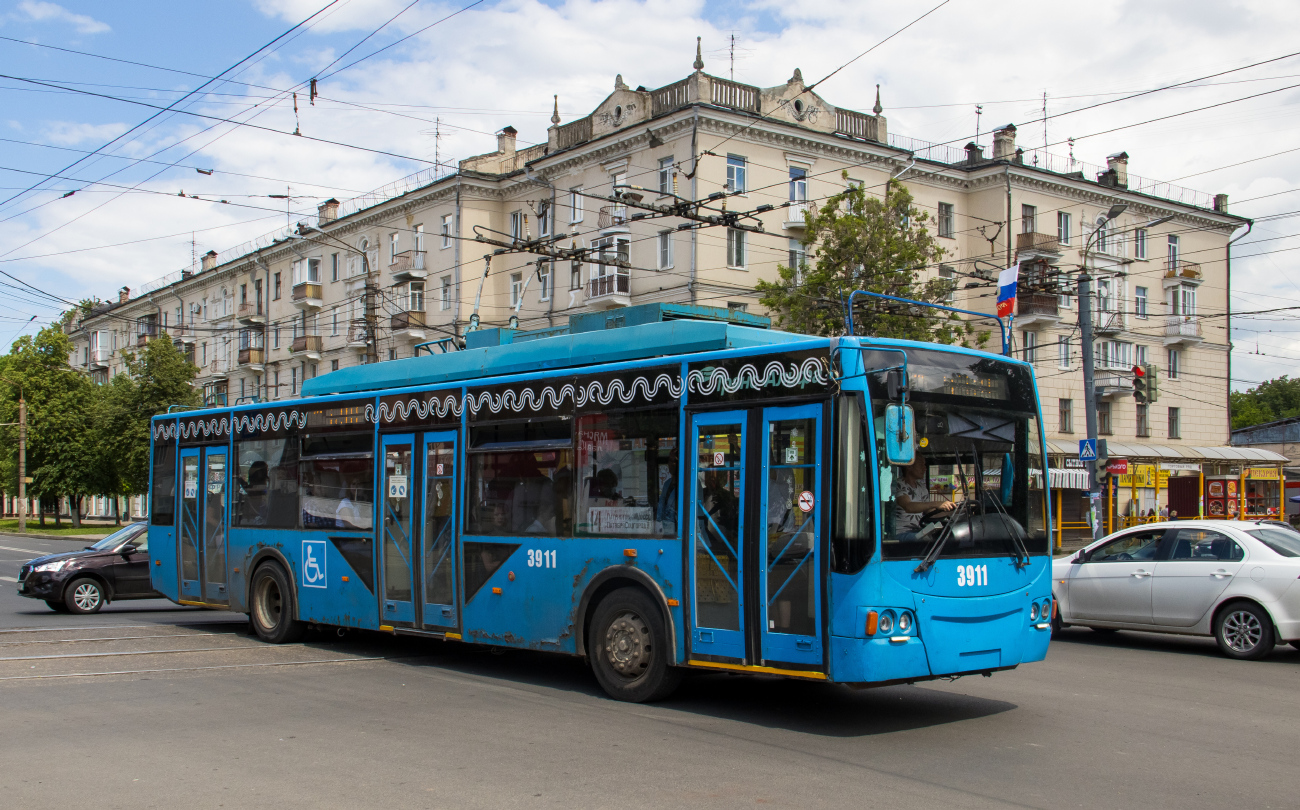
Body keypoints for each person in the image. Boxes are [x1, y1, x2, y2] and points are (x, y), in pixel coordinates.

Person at [892, 454, 955, 539]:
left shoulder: (921, 487)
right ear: (909, 467)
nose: (924, 468)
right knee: (928, 541)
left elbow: (930, 512)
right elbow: (908, 506)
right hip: (901, 533)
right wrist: (936, 504)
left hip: (919, 531)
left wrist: (953, 510)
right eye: (921, 465)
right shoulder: (898, 484)